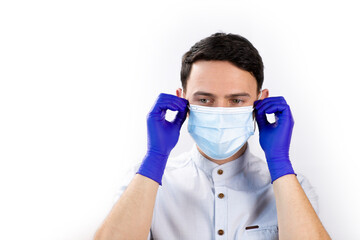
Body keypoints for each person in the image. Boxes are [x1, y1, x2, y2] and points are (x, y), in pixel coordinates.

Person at [94, 32, 331, 240]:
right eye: (205, 100)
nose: (220, 112)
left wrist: (279, 161)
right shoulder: (148, 183)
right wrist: (155, 157)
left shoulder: (293, 187)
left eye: (236, 100)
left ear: (260, 101)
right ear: (182, 98)